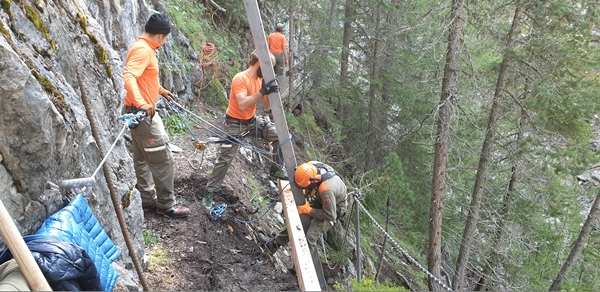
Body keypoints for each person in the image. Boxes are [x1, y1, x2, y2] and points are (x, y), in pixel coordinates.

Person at [123, 13, 190, 218]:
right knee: (162, 159)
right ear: (161, 35)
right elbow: (129, 76)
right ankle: (166, 205)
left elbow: (144, 77)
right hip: (143, 115)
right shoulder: (143, 50)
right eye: (167, 37)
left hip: (136, 113)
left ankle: (147, 199)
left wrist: (160, 90)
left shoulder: (143, 48)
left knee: (142, 158)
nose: (166, 40)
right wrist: (142, 103)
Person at [202, 51, 287, 209]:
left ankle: (275, 168)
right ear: (260, 63)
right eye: (270, 68)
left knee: (281, 135)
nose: (271, 72)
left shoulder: (261, 79)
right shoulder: (240, 78)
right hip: (235, 124)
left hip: (252, 122)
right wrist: (262, 91)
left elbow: (267, 107)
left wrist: (271, 92)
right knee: (225, 160)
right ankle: (210, 192)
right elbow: (242, 104)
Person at [259, 161, 348, 258]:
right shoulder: (309, 167)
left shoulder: (326, 190)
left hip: (334, 208)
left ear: (313, 182)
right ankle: (274, 245)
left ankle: (297, 272)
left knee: (310, 236)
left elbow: (330, 215)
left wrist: (309, 210)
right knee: (298, 218)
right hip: (322, 197)